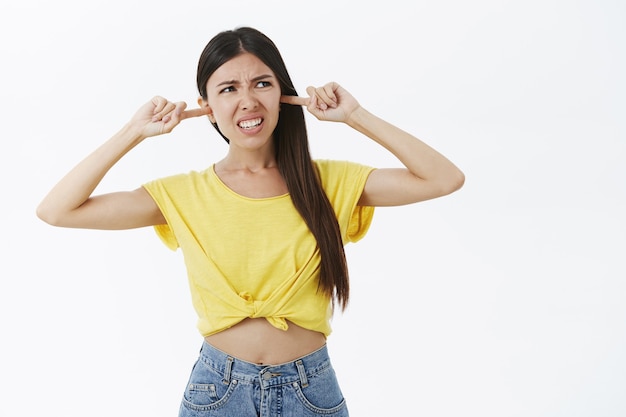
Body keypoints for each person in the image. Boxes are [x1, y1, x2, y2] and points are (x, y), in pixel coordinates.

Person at [37, 26, 464, 417]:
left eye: (262, 83)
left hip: (310, 391)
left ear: (283, 93)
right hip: (216, 392)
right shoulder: (181, 194)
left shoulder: (331, 183)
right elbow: (57, 210)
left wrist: (355, 115)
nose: (248, 100)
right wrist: (133, 131)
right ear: (206, 107)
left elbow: (445, 178)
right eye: (228, 89)